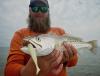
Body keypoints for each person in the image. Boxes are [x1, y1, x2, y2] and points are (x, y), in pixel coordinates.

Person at [4, 0, 78, 76]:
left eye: (43, 9)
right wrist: (29, 71)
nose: (39, 12)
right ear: (30, 10)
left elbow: (73, 62)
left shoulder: (60, 32)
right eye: (35, 8)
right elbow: (9, 70)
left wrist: (67, 58)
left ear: (48, 11)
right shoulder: (20, 35)